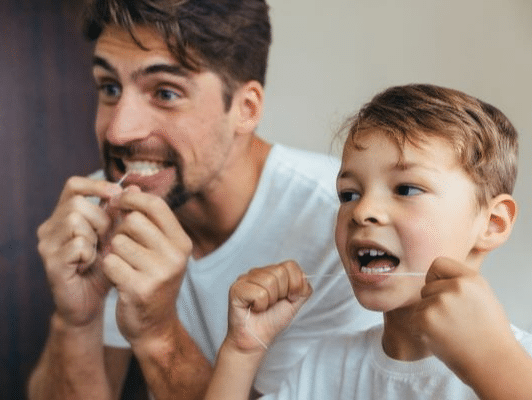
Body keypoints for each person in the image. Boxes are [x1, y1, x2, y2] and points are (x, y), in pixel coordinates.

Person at [26, 0, 381, 399]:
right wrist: (75, 321)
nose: (118, 132)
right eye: (109, 88)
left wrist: (158, 334)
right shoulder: (106, 208)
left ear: (245, 109)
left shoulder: (344, 225)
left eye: (165, 93)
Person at [204, 84, 532, 400]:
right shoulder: (325, 367)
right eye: (348, 194)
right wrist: (242, 351)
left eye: (407, 189)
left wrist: (491, 361)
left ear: (492, 224)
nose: (362, 211)